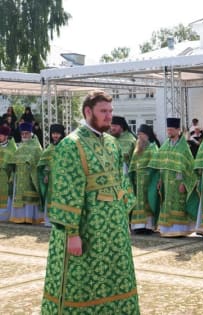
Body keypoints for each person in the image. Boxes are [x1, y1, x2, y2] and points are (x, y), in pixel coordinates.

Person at [41, 91, 140, 314]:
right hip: (87, 229)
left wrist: (124, 217)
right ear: (88, 112)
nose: (109, 117)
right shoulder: (71, 145)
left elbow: (121, 182)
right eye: (103, 111)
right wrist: (71, 233)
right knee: (83, 281)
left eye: (110, 111)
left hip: (113, 231)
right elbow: (67, 190)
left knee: (114, 279)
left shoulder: (112, 143)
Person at [148, 117, 197, 237]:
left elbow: (188, 167)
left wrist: (184, 183)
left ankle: (180, 230)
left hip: (178, 182)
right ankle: (167, 230)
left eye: (171, 130)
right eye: (167, 129)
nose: (168, 132)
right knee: (166, 204)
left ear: (178, 130)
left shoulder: (184, 147)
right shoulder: (165, 145)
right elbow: (161, 164)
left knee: (178, 205)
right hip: (166, 181)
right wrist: (159, 179)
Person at [8, 122, 43, 224]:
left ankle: (29, 218)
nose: (24, 136)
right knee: (19, 197)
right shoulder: (20, 146)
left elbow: (39, 161)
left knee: (29, 198)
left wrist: (31, 164)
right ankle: (20, 217)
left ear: (31, 133)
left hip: (30, 175)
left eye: (26, 133)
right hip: (19, 174)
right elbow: (13, 160)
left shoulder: (36, 147)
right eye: (22, 134)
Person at [129, 124, 160, 234]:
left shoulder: (153, 147)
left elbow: (156, 165)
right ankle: (138, 226)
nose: (139, 137)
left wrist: (149, 174)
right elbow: (133, 164)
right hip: (138, 180)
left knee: (147, 202)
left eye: (141, 134)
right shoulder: (137, 148)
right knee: (138, 202)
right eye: (138, 135)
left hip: (148, 180)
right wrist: (131, 175)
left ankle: (148, 226)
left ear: (147, 135)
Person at [37, 124, 66, 227]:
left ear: (62, 134)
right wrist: (45, 174)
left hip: (63, 178)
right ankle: (50, 220)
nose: (55, 135)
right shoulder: (50, 147)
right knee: (51, 198)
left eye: (57, 133)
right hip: (52, 178)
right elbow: (44, 163)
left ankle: (61, 219)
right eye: (53, 133)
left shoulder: (66, 146)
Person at [0, 126, 17, 221]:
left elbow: (15, 164)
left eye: (1, 135)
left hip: (7, 176)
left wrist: (12, 176)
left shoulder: (12, 147)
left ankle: (5, 216)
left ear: (6, 136)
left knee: (6, 196)